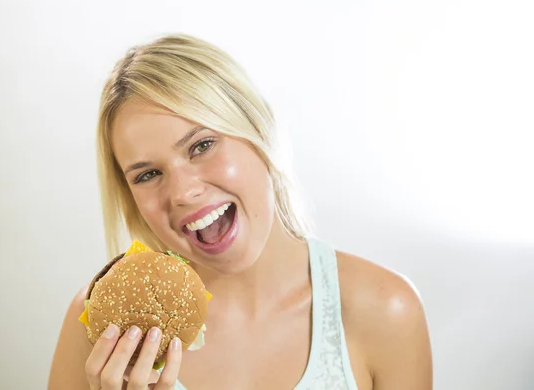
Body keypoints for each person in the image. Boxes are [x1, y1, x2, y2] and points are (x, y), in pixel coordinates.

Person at [48, 33, 433, 390]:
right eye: (148, 174)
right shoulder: (103, 331)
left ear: (258, 130)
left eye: (201, 146)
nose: (182, 193)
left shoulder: (385, 310)